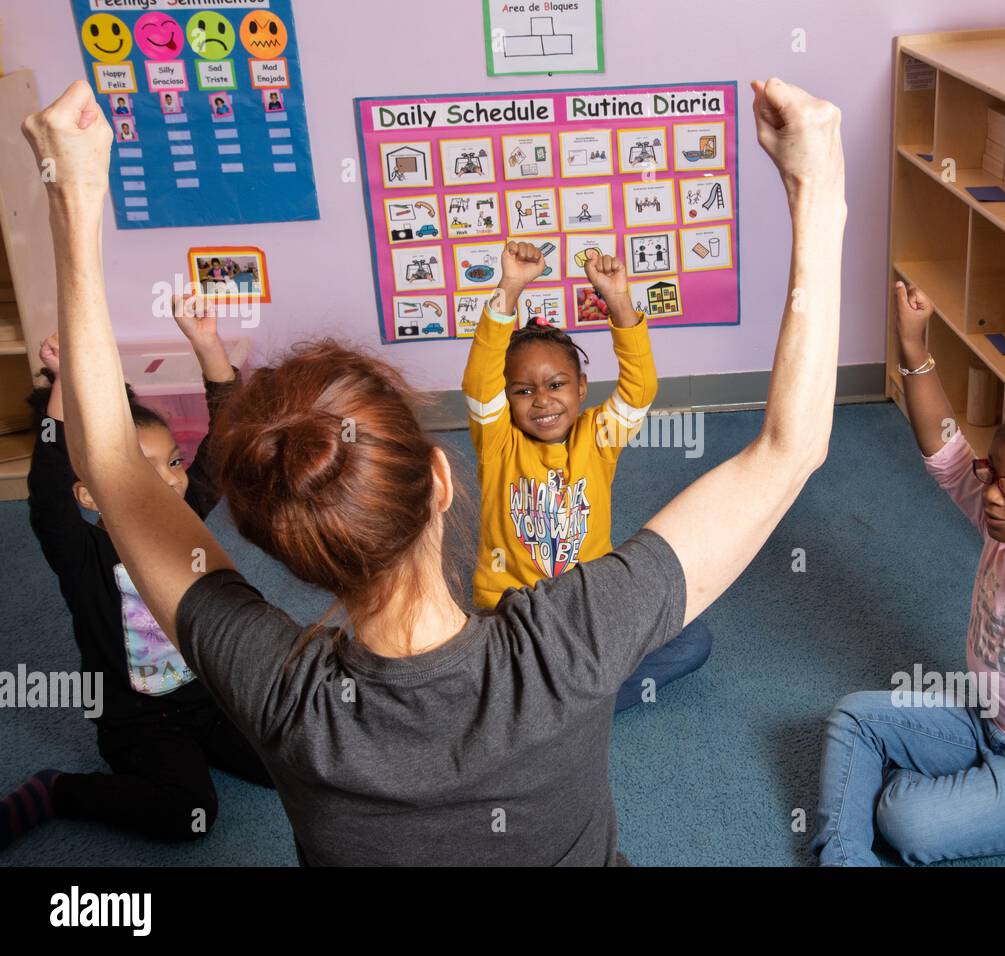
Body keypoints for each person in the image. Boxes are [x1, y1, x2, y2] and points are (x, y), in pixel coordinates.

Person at [21, 76, 844, 866]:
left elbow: (110, 471)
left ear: (284, 544)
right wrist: (819, 193)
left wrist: (73, 201)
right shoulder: (575, 641)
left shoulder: (271, 686)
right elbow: (790, 447)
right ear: (442, 482)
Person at [811, 283, 1005, 867]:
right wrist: (913, 343)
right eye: (995, 473)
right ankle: (843, 858)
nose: (992, 495)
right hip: (988, 721)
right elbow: (945, 447)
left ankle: (897, 807)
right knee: (855, 715)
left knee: (902, 819)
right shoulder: (998, 524)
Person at [1, 303, 272, 851]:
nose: (170, 482)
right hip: (140, 719)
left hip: (209, 699)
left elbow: (223, 441)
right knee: (189, 814)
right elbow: (48, 490)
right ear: (90, 494)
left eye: (172, 462)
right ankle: (59, 791)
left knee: (288, 760)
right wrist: (64, 384)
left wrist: (208, 348)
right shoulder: (80, 551)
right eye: (141, 468)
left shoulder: (182, 518)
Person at [462, 243, 710, 712]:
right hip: (509, 613)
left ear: (580, 389)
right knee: (466, 663)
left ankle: (554, 704)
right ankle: (570, 700)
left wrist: (618, 299)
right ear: (505, 397)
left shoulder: (598, 435)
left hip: (584, 606)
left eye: (556, 385)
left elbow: (640, 390)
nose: (542, 400)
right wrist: (510, 287)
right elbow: (478, 383)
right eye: (523, 390)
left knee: (692, 639)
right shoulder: (497, 442)